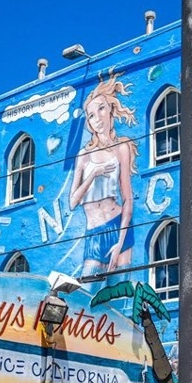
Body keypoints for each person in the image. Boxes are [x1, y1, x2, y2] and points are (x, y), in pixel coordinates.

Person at [69, 73, 138, 279]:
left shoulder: (122, 148)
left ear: (111, 110)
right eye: (91, 115)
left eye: (101, 109)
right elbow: (72, 202)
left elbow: (128, 199)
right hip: (94, 232)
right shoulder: (83, 155)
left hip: (118, 226)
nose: (97, 118)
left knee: (121, 291)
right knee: (88, 288)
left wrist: (120, 242)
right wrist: (93, 174)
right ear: (88, 122)